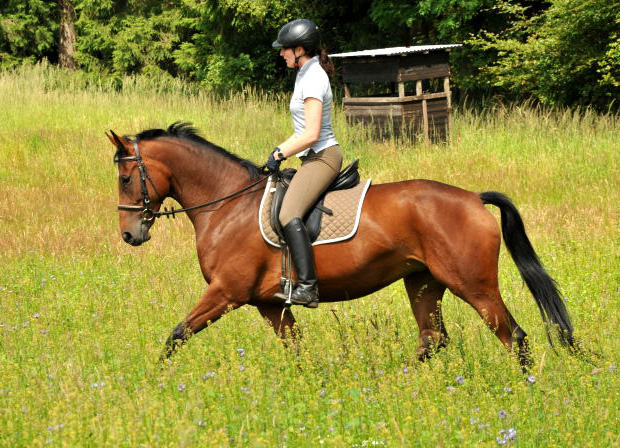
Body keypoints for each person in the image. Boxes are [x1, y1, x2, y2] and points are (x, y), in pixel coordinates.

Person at [265, 19, 343, 308]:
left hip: (322, 156)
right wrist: (279, 150)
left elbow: (310, 135)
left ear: (299, 49)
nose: (281, 54)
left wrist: (279, 154)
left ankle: (308, 288)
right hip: (312, 156)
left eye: (284, 49)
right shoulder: (305, 73)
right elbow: (301, 133)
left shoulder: (312, 78)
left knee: (288, 213)